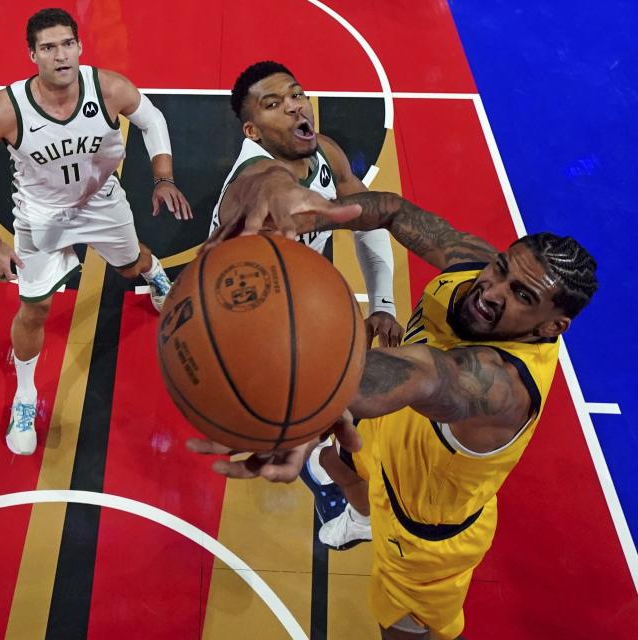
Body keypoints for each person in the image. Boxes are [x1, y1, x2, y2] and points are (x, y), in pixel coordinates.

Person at [191, 176, 598, 639]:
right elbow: (394, 210)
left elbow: (424, 374)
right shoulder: (477, 272)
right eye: (502, 267)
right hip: (390, 442)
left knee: (401, 631)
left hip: (422, 530)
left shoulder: (498, 387)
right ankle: (362, 518)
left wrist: (256, 365)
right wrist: (311, 204)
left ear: (551, 327)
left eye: (522, 297)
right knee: (333, 458)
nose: (492, 290)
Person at [0, 8, 192, 455]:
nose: (60, 55)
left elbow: (153, 120)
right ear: (32, 54)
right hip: (41, 217)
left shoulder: (107, 88)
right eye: (48, 47)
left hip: (102, 203)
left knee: (131, 266)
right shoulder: (1, 110)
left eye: (67, 43)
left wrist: (162, 176)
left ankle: (154, 272)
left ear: (80, 47)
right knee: (35, 307)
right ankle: (25, 395)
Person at [212, 61, 404, 349]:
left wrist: (383, 305)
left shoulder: (326, 152)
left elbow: (369, 221)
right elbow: (259, 187)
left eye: (297, 95)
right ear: (253, 132)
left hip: (302, 289)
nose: (293, 107)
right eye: (273, 104)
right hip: (244, 305)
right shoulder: (250, 182)